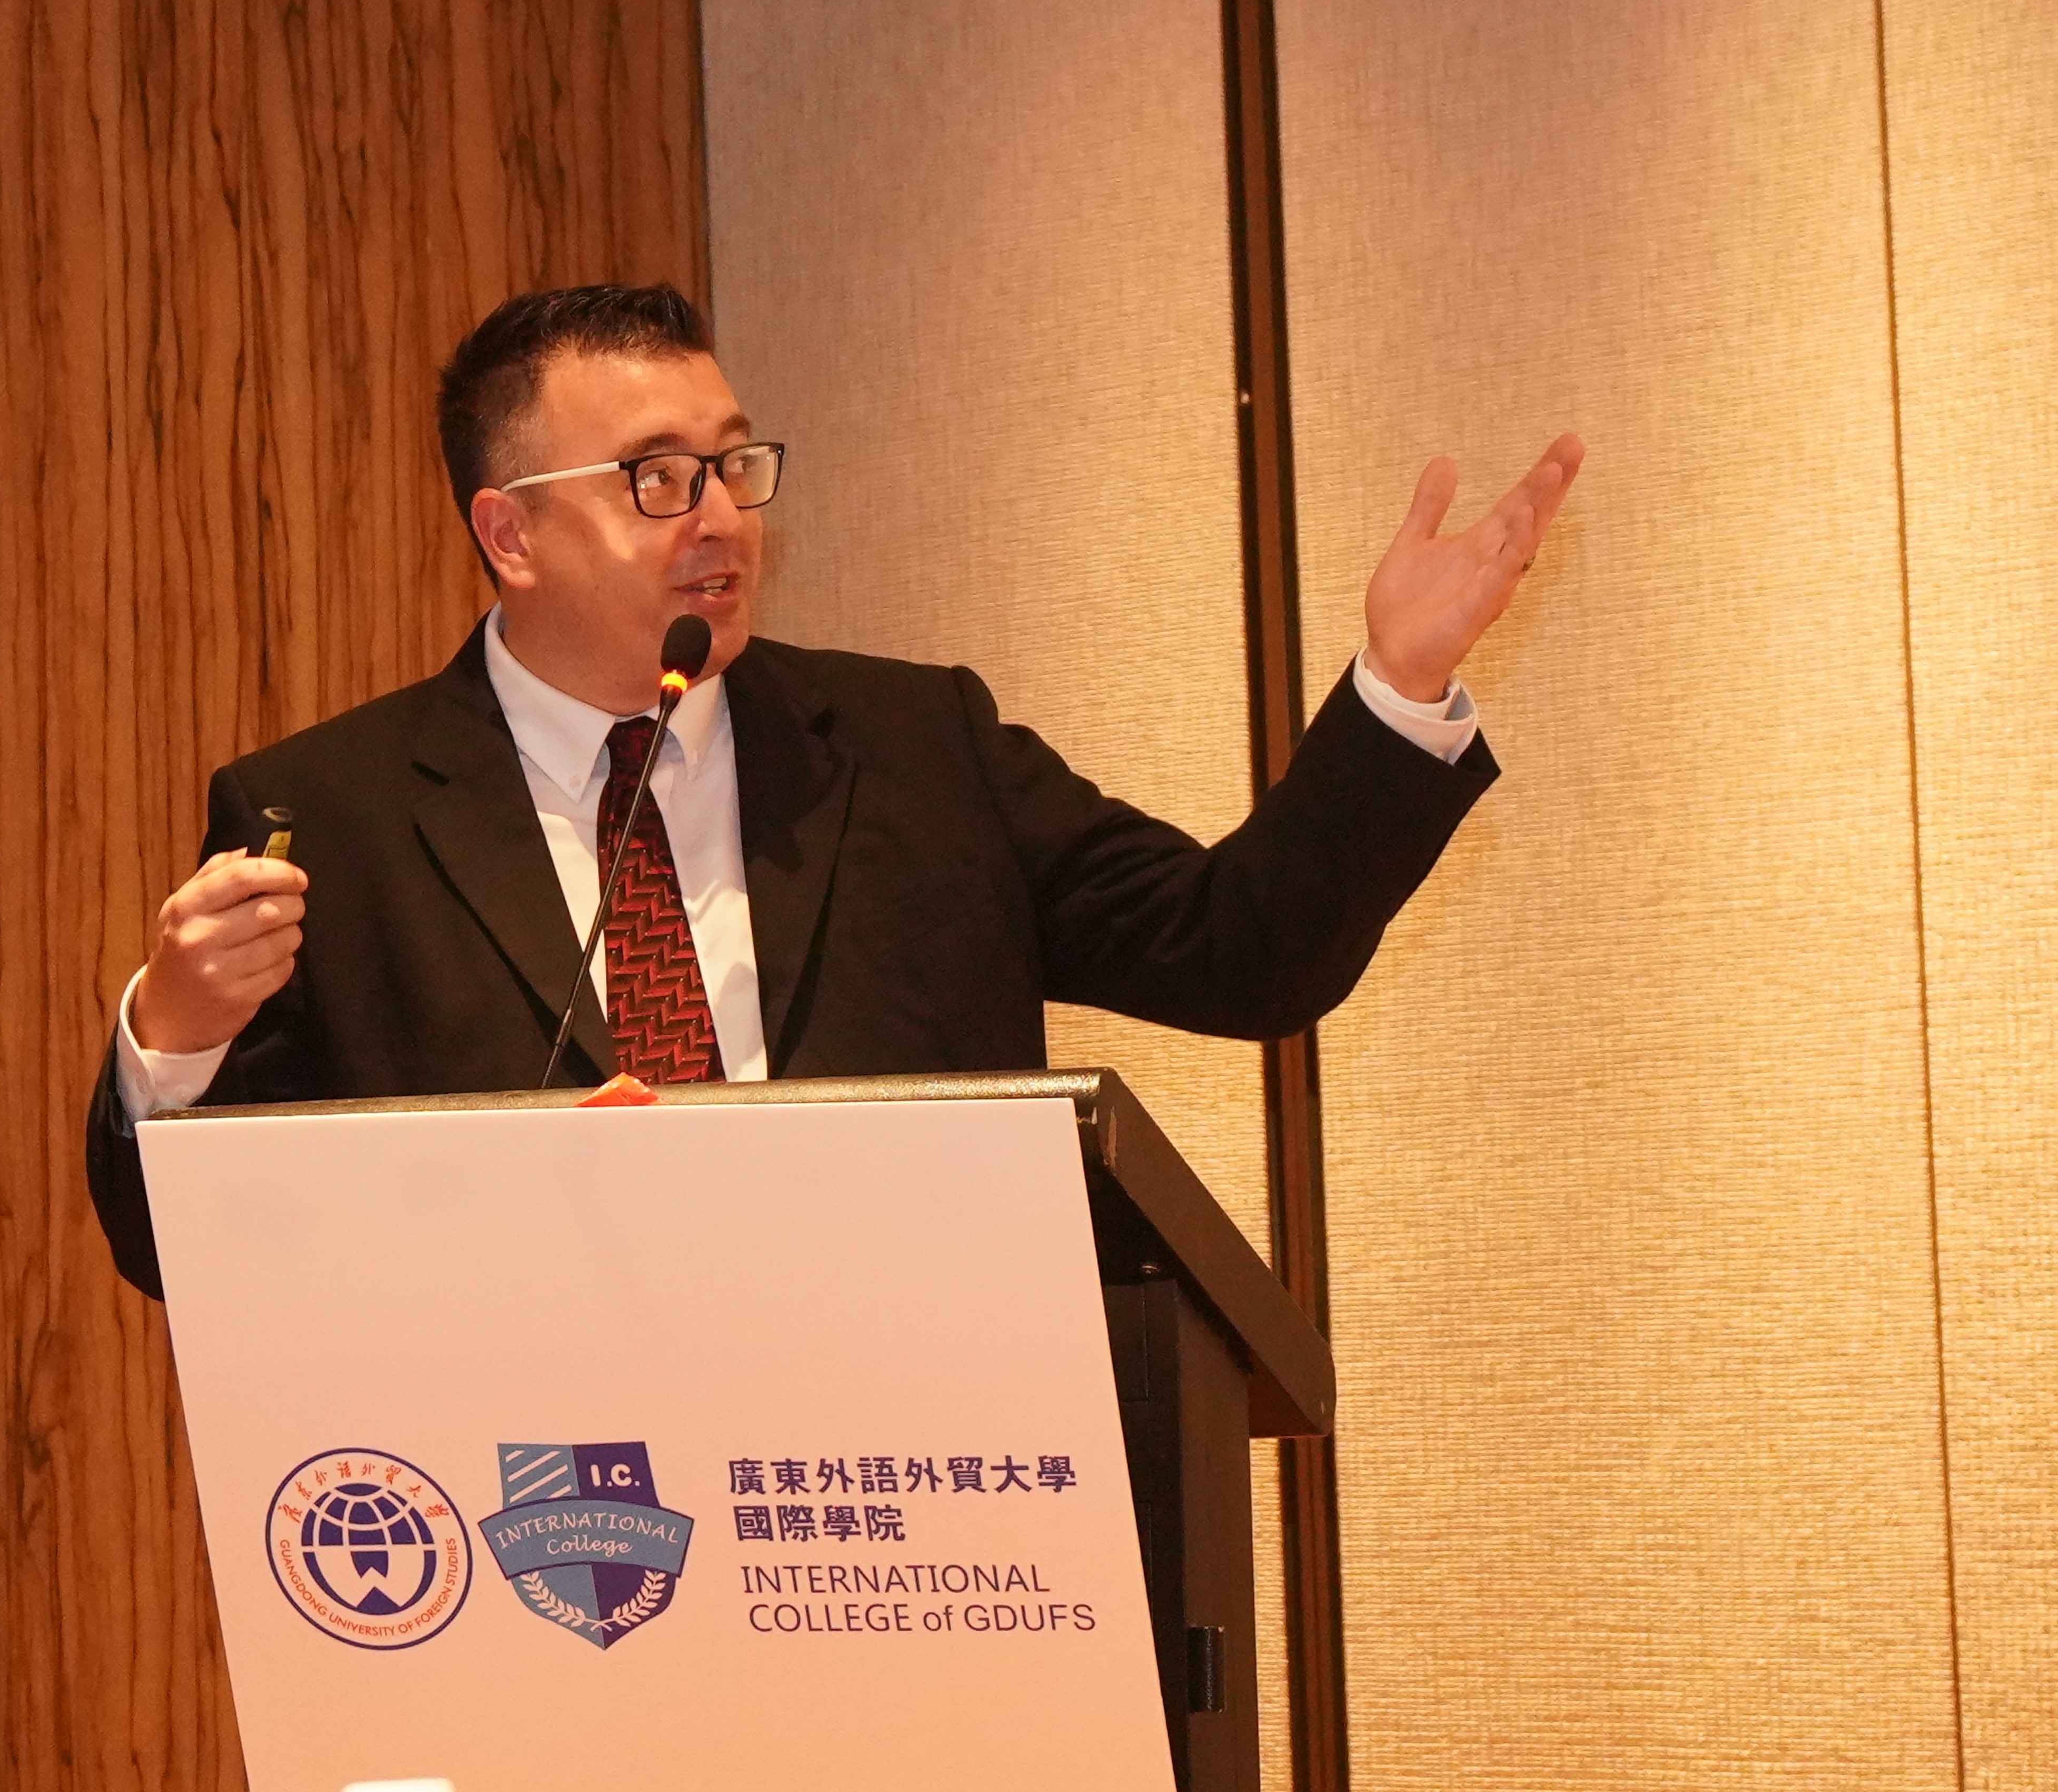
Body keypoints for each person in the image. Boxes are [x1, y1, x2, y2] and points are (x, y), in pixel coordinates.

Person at [84, 284, 1583, 1299]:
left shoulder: (918, 749)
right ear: (511, 534)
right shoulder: (328, 816)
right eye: (656, 479)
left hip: (897, 1526)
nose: (721, 518)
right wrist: (178, 1035)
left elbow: (1246, 951)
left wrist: (1397, 691)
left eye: (734, 466)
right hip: (542, 1531)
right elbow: (179, 1254)